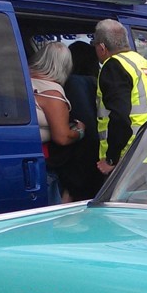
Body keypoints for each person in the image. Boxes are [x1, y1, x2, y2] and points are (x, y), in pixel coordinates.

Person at [92, 19, 147, 180]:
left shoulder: (114, 66)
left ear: (102, 47)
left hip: (127, 157)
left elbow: (120, 117)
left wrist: (111, 158)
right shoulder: (144, 64)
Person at [29, 42, 82, 205]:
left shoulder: (23, 81)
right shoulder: (53, 93)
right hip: (41, 163)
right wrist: (80, 131)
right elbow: (62, 137)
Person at [53, 40, 101, 202]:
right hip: (100, 162)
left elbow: (83, 130)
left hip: (78, 165)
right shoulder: (98, 83)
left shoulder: (73, 84)